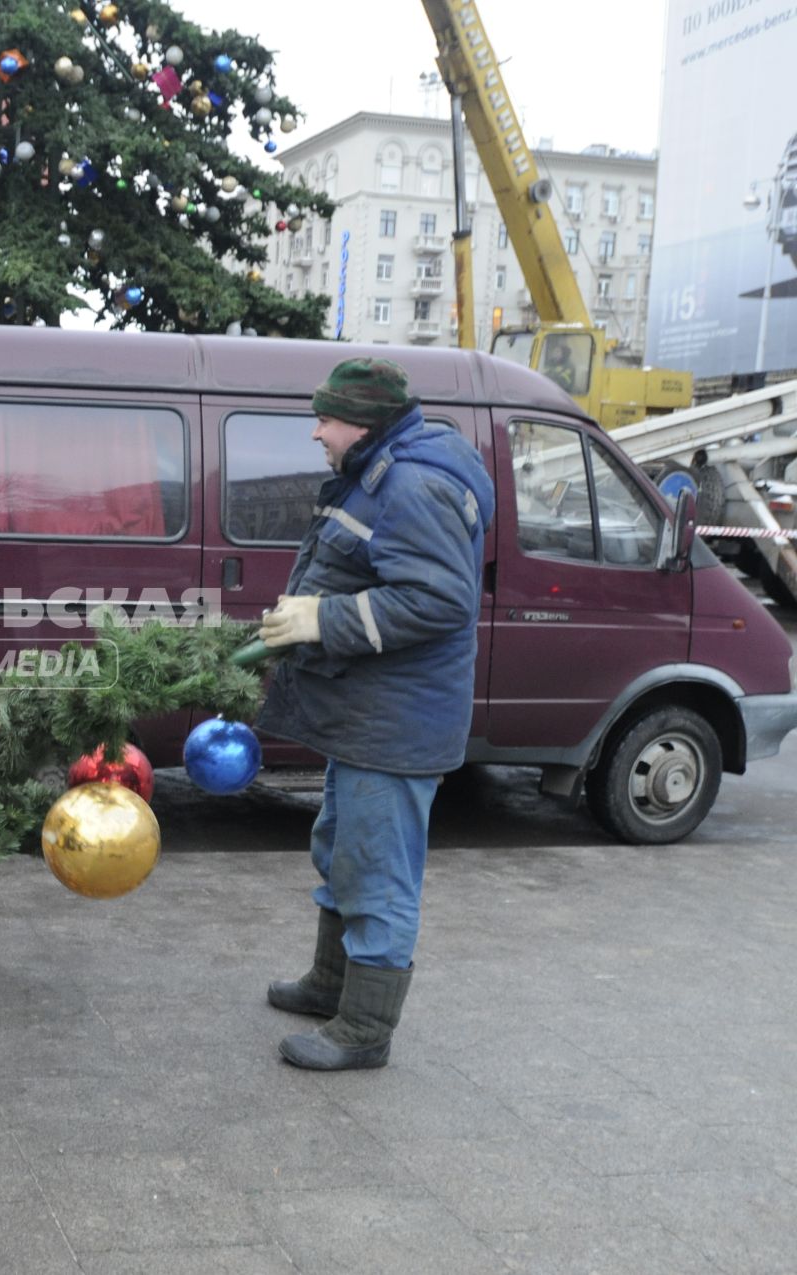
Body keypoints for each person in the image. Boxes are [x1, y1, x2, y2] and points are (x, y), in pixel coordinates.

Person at [255, 358, 495, 1071]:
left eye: (323, 419)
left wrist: (322, 618)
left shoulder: (413, 484)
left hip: (394, 726)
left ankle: (364, 1027)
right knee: (341, 847)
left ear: (359, 423)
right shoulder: (384, 465)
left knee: (376, 869)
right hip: (367, 716)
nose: (315, 432)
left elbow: (439, 600)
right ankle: (332, 982)